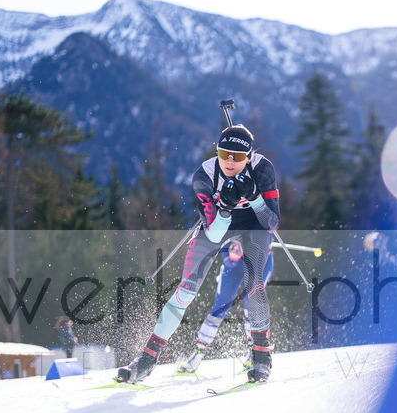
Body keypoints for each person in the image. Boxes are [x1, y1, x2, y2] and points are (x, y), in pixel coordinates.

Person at [117, 122, 280, 384]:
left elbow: (271, 223)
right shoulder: (204, 175)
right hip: (218, 225)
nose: (229, 161)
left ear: (249, 157)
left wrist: (254, 197)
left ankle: (261, 356)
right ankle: (147, 359)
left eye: (237, 156)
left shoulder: (262, 169)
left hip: (254, 225)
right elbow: (214, 235)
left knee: (254, 284)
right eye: (223, 153)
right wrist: (225, 208)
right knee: (186, 290)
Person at [177, 237, 274, 373]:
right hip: (234, 264)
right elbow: (221, 237)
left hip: (259, 262)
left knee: (251, 302)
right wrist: (230, 255)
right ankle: (197, 354)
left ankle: (254, 353)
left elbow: (270, 228)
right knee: (220, 306)